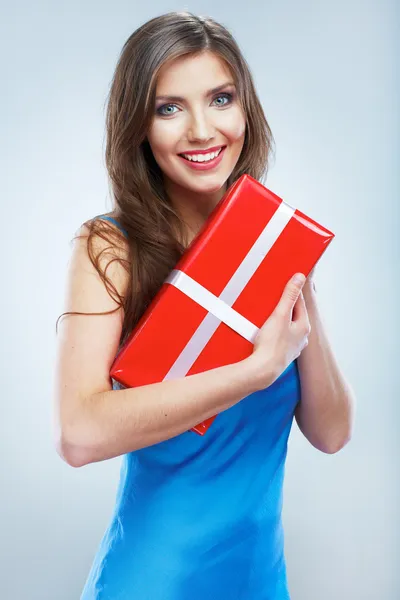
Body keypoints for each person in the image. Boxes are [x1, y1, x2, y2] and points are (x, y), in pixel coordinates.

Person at [53, 11, 355, 600]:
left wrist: (299, 280)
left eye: (221, 99)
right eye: (169, 108)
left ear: (246, 111)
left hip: (259, 580)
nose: (201, 130)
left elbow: (333, 432)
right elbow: (79, 434)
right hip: (152, 581)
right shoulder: (111, 245)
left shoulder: (271, 240)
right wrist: (254, 372)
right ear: (138, 124)